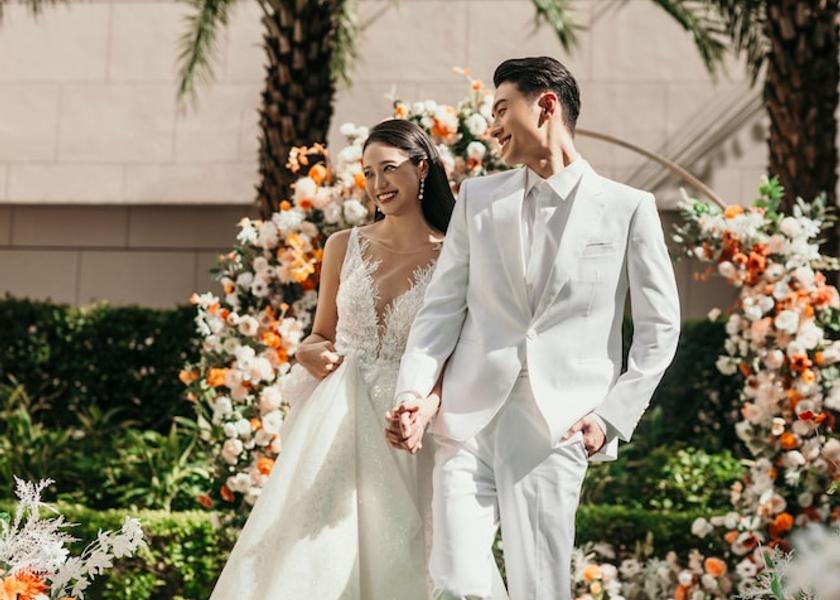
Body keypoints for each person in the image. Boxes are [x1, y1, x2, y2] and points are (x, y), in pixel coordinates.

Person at [388, 56, 681, 600]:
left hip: (557, 427)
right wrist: (413, 392)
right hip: (466, 419)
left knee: (537, 587)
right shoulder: (478, 198)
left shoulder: (628, 209)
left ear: (546, 105)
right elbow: (440, 311)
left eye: (501, 109)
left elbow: (661, 329)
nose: (491, 125)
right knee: (454, 578)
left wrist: (609, 418)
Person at [210, 118, 507, 599]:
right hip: (338, 418)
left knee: (417, 558)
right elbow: (318, 335)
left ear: (422, 168)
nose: (377, 185)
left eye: (388, 169)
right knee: (317, 554)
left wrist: (425, 407)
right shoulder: (343, 245)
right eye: (368, 173)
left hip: (409, 424)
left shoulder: (457, 254)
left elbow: (460, 353)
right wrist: (310, 353)